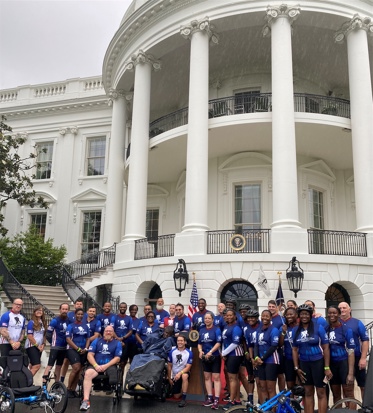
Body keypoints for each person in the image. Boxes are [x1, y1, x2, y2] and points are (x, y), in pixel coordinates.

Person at [292, 304, 331, 413]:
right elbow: (294, 350)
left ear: (310, 315)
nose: (304, 316)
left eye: (306, 314)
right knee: (308, 392)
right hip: (304, 364)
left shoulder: (319, 327)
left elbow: (326, 348)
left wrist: (327, 367)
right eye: (302, 314)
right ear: (299, 315)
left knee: (320, 392)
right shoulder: (295, 330)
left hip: (318, 362)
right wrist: (296, 367)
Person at [79, 326, 122, 411]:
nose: (108, 332)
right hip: (96, 365)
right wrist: (96, 365)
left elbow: (117, 358)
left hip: (109, 365)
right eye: (106, 331)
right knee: (87, 374)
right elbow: (89, 355)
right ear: (103, 332)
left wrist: (105, 366)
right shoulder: (96, 341)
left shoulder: (117, 343)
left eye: (110, 331)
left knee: (113, 379)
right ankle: (86, 400)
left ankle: (111, 388)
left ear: (113, 333)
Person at [338, 301, 369, 401]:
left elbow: (365, 340)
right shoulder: (335, 323)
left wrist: (363, 358)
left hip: (357, 357)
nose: (342, 310)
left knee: (363, 385)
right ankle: (349, 408)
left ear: (349, 309)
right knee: (347, 386)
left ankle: (365, 406)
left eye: (344, 308)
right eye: (340, 308)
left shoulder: (357, 323)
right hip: (342, 359)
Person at [326, 305, 355, 408]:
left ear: (338, 314)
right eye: (330, 313)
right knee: (336, 394)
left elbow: (351, 352)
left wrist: (350, 373)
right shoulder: (326, 329)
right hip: (332, 365)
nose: (332, 315)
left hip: (344, 364)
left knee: (348, 394)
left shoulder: (346, 330)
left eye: (334, 313)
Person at [252, 309, 280, 404]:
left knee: (270, 388)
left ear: (271, 318)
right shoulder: (259, 330)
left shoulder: (274, 330)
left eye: (267, 316)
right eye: (263, 316)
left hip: (271, 361)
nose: (264, 318)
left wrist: (262, 358)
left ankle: (273, 409)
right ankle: (265, 408)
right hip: (260, 361)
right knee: (262, 386)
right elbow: (256, 345)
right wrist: (256, 358)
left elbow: (274, 346)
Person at [198, 311, 222, 410]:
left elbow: (219, 342)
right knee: (207, 377)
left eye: (209, 318)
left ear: (212, 319)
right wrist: (200, 351)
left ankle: (216, 399)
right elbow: (199, 343)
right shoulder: (202, 330)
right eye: (205, 318)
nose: (207, 320)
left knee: (216, 377)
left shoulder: (216, 329)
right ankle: (209, 397)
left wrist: (211, 352)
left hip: (214, 356)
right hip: (205, 357)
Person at [221, 308, 244, 410]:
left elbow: (235, 343)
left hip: (235, 354)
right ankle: (237, 399)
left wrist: (224, 352)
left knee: (232, 378)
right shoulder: (226, 326)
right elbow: (224, 341)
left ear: (235, 316)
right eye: (227, 315)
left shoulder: (236, 328)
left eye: (231, 315)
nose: (229, 317)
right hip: (228, 355)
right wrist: (223, 352)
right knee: (234, 378)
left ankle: (232, 401)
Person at [66, 308, 90, 398]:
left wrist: (86, 348)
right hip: (72, 349)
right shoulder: (71, 326)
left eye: (81, 314)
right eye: (78, 314)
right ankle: (68, 389)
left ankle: (73, 389)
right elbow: (68, 339)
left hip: (83, 350)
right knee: (76, 367)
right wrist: (77, 349)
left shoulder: (85, 326)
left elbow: (88, 338)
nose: (80, 316)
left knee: (80, 370)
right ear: (75, 315)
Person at [43, 302, 70, 382]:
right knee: (50, 365)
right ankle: (43, 385)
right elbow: (48, 334)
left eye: (66, 309)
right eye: (63, 309)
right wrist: (53, 342)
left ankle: (56, 384)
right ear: (60, 310)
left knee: (59, 366)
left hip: (64, 347)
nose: (64, 311)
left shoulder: (69, 321)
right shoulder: (55, 321)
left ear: (68, 310)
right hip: (55, 347)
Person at [167, 335, 193, 408]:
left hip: (183, 372)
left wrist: (180, 374)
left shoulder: (189, 353)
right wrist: (169, 378)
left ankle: (184, 399)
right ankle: (181, 390)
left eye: (181, 340)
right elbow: (169, 366)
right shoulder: (172, 352)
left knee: (184, 376)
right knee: (176, 396)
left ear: (185, 342)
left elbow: (188, 367)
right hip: (175, 375)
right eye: (178, 340)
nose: (180, 342)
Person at [243, 309, 261, 406]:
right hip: (251, 356)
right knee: (250, 377)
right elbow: (248, 344)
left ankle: (259, 401)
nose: (250, 320)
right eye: (249, 318)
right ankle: (250, 400)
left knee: (259, 380)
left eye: (252, 318)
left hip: (259, 355)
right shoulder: (247, 329)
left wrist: (256, 358)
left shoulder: (261, 327)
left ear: (256, 318)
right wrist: (251, 358)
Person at [278, 307, 298, 390]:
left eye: (291, 314)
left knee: (300, 385)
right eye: (287, 315)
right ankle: (291, 402)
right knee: (290, 385)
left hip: (300, 359)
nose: (289, 316)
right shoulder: (283, 327)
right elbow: (280, 344)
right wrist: (283, 332)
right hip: (288, 359)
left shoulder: (300, 327)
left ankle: (301, 402)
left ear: (296, 315)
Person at [25, 305, 47, 376]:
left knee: (32, 365)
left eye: (41, 310)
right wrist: (37, 346)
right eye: (37, 310)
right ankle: (27, 382)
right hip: (32, 346)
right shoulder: (31, 322)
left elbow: (44, 335)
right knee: (37, 365)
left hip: (39, 346)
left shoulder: (42, 322)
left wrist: (43, 344)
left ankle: (29, 382)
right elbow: (30, 336)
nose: (39, 312)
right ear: (34, 312)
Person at [111, 302, 133, 370]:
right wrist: (118, 339)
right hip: (115, 341)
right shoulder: (114, 317)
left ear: (126, 308)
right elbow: (112, 329)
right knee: (115, 359)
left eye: (124, 307)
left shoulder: (129, 318)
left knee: (123, 361)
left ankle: (121, 378)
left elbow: (130, 331)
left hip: (125, 341)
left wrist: (123, 338)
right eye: (121, 307)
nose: (122, 308)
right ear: (119, 308)